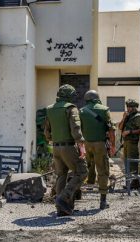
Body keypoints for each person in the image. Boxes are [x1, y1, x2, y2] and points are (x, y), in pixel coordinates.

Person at [44, 84, 88, 216]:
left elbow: (47, 132)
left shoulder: (50, 109)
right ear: (69, 96)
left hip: (56, 147)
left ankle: (62, 209)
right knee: (82, 172)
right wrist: (81, 146)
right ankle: (64, 197)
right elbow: (76, 129)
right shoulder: (71, 108)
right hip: (69, 146)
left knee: (61, 175)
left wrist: (55, 140)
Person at [79, 90, 116, 209]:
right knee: (103, 170)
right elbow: (111, 129)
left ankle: (83, 189)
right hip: (100, 144)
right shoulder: (104, 110)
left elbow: (78, 129)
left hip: (86, 144)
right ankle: (103, 201)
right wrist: (113, 145)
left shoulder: (81, 111)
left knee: (87, 167)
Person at [118, 99, 140, 189]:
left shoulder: (137, 117)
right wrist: (124, 117)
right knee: (127, 163)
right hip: (126, 142)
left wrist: (130, 131)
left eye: (130, 107)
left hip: (132, 143)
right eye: (127, 107)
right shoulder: (128, 117)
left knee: (132, 163)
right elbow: (120, 127)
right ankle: (133, 183)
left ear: (134, 108)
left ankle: (134, 183)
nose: (128, 109)